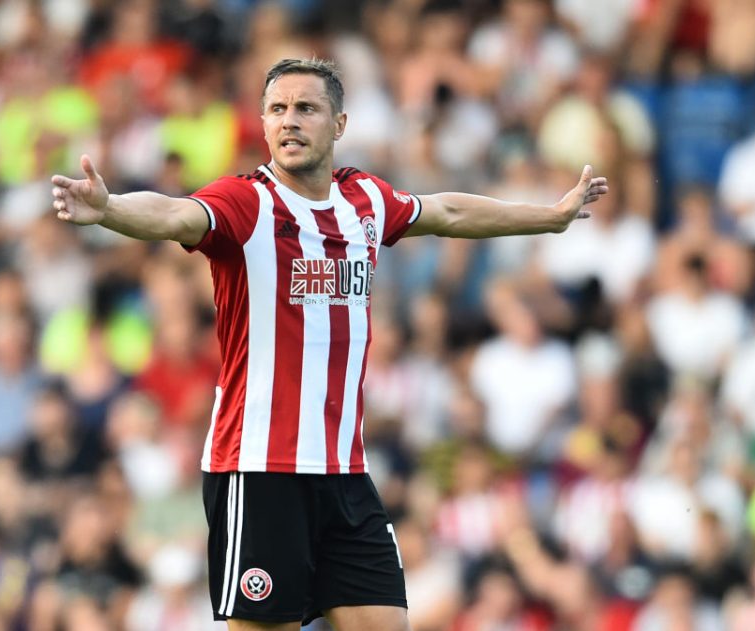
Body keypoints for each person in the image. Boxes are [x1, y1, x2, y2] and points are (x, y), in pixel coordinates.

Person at [51, 58, 608, 631]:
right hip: (260, 468)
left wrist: (549, 216)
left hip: (344, 472)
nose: (289, 122)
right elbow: (173, 215)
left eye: (306, 108)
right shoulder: (247, 204)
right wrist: (111, 209)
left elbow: (446, 210)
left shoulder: (364, 199)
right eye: (277, 110)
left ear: (338, 124)